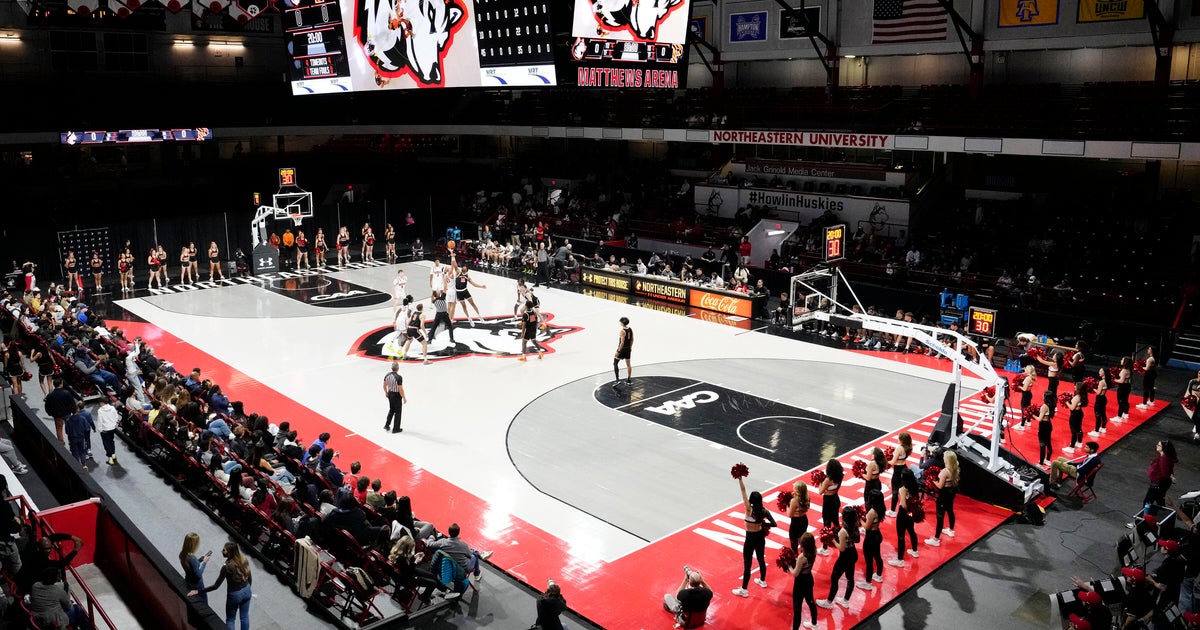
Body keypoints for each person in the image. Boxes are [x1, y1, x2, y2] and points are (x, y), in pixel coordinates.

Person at [189, 540, 253, 630]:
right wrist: (248, 588)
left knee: (230, 620)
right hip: (247, 590)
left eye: (224, 550)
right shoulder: (243, 559)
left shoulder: (226, 567)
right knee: (244, 617)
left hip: (235, 595)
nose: (221, 551)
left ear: (230, 552)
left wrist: (198, 591)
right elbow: (249, 576)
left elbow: (216, 586)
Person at [731, 476, 775, 597]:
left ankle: (744, 589)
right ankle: (763, 581)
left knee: (748, 564)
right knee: (761, 559)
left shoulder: (748, 509)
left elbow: (743, 491)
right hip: (760, 537)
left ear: (751, 500)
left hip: (750, 539)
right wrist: (764, 524)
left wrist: (740, 479)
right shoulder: (764, 511)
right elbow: (774, 524)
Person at [817, 505, 862, 610]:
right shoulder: (856, 524)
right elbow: (857, 540)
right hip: (853, 553)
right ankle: (845, 600)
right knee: (850, 578)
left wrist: (832, 540)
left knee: (834, 578)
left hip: (845, 556)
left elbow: (841, 548)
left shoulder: (843, 531)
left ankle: (829, 602)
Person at [925, 450, 959, 546]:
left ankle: (936, 539)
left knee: (940, 516)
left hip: (943, 494)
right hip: (951, 492)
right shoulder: (955, 467)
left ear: (947, 460)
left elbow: (940, 486)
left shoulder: (945, 471)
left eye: (944, 457)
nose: (943, 459)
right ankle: (951, 530)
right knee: (950, 510)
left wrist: (932, 480)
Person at [1137, 439, 1177, 521]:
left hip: (1157, 485)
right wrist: (1171, 476)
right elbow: (1169, 470)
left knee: (1147, 502)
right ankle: (1165, 521)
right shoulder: (1165, 457)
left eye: (1159, 445)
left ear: (1163, 448)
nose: (1156, 446)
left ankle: (1141, 521)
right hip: (1160, 484)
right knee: (1160, 503)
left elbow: (1165, 473)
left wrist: (1170, 477)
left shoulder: (1164, 459)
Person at [888, 467, 920, 568]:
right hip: (911, 513)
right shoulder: (915, 486)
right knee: (911, 531)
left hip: (903, 514)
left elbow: (903, 505)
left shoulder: (903, 489)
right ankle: (915, 551)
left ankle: (900, 559)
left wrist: (902, 495)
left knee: (901, 536)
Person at [786, 532, 818, 630]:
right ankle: (814, 623)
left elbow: (795, 573)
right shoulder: (814, 550)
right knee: (810, 601)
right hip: (809, 579)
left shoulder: (802, 557)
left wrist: (789, 566)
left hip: (800, 582)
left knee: (797, 607)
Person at [817, 458, 844, 556]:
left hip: (828, 502)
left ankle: (824, 548)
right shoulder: (840, 476)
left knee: (826, 524)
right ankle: (843, 539)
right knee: (836, 522)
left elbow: (820, 491)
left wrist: (820, 483)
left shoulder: (828, 480)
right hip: (836, 499)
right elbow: (836, 489)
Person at [862, 488, 886, 585]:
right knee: (877, 556)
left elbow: (867, 527)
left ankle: (868, 582)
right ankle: (878, 575)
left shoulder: (872, 512)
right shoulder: (881, 507)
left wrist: (859, 519)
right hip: (877, 534)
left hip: (871, 537)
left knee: (869, 560)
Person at [179, 532, 211, 604]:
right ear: (194, 544)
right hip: (197, 585)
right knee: (204, 603)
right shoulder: (192, 558)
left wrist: (199, 560)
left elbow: (191, 568)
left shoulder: (182, 554)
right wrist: (205, 562)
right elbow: (198, 575)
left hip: (188, 581)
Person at [887, 432, 913, 514]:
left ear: (902, 440)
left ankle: (893, 511)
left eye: (898, 438)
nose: (897, 439)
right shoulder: (908, 448)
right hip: (904, 468)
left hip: (897, 471)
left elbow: (893, 462)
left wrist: (885, 461)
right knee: (904, 490)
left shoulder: (899, 448)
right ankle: (907, 508)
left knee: (895, 491)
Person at [44, 376, 75, 445]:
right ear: (61, 384)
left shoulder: (50, 395)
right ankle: (72, 440)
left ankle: (61, 442)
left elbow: (47, 406)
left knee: (59, 428)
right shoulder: (67, 393)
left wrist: (50, 413)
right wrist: (73, 411)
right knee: (70, 427)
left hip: (57, 415)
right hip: (67, 413)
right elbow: (72, 403)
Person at [65, 401, 95, 470]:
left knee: (75, 452)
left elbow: (67, 431)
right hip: (81, 438)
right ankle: (84, 465)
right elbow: (86, 428)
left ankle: (77, 466)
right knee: (82, 451)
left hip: (72, 439)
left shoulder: (68, 421)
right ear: (77, 409)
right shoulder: (82, 419)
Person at [1064, 381, 1087, 454]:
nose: (1074, 386)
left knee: (1073, 431)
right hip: (1079, 413)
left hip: (1074, 415)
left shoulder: (1077, 397)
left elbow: (1072, 407)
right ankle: (1079, 442)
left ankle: (1071, 447)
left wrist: (1066, 402)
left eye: (1075, 386)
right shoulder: (1081, 395)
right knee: (1079, 428)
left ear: (1078, 388)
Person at [95, 398, 120, 466]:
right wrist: (113, 424)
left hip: (104, 430)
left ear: (102, 402)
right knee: (111, 441)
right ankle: (113, 454)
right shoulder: (112, 408)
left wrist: (100, 429)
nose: (99, 404)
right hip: (112, 428)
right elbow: (116, 417)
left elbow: (100, 421)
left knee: (106, 443)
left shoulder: (100, 410)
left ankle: (110, 459)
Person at [787, 480, 810, 552]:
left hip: (795, 522)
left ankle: (796, 558)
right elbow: (806, 509)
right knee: (802, 540)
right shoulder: (807, 497)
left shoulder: (794, 501)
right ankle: (804, 556)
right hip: (804, 519)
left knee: (794, 541)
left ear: (797, 490)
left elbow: (790, 515)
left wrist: (787, 506)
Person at [383, 361, 406, 433]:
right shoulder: (399, 377)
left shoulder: (387, 375)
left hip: (390, 394)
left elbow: (384, 385)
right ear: (398, 368)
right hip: (396, 395)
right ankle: (396, 428)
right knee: (398, 412)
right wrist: (404, 397)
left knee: (391, 410)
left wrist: (386, 392)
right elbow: (400, 389)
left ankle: (387, 425)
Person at [611, 317, 633, 389]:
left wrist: (618, 351)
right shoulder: (630, 329)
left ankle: (617, 379)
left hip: (622, 349)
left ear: (622, 323)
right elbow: (632, 339)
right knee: (628, 365)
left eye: (620, 322)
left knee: (615, 363)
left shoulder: (622, 331)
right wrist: (630, 347)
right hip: (627, 349)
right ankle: (629, 380)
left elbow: (622, 343)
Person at [1089, 366, 1111, 438]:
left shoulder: (1102, 382)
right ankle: (1103, 428)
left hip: (1099, 399)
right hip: (1104, 398)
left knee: (1098, 415)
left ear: (1104, 373)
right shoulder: (1107, 380)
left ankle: (1096, 431)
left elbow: (1098, 392)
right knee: (1103, 413)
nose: (1099, 372)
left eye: (1101, 371)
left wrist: (1092, 387)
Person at [1037, 390, 1056, 466]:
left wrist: (1031, 415)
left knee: (1042, 444)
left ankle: (1041, 464)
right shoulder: (1051, 405)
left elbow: (1039, 419)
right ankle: (1047, 459)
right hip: (1048, 425)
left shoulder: (1044, 406)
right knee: (1048, 443)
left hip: (1043, 426)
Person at [1014, 365, 1037, 429]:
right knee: (1028, 409)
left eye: (1026, 368)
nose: (1024, 369)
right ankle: (1028, 421)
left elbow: (1024, 389)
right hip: (1028, 394)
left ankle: (1022, 425)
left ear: (1028, 370)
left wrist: (1017, 386)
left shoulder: (1028, 378)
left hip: (1025, 395)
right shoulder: (1031, 377)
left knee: (1024, 410)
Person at [1114, 357, 1133, 423]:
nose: (1121, 360)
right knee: (1125, 401)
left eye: (1122, 359)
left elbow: (1121, 381)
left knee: (1121, 402)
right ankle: (1125, 413)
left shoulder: (1124, 370)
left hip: (1123, 387)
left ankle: (1119, 417)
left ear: (1125, 362)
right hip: (1127, 386)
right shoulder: (1128, 369)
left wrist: (1114, 380)